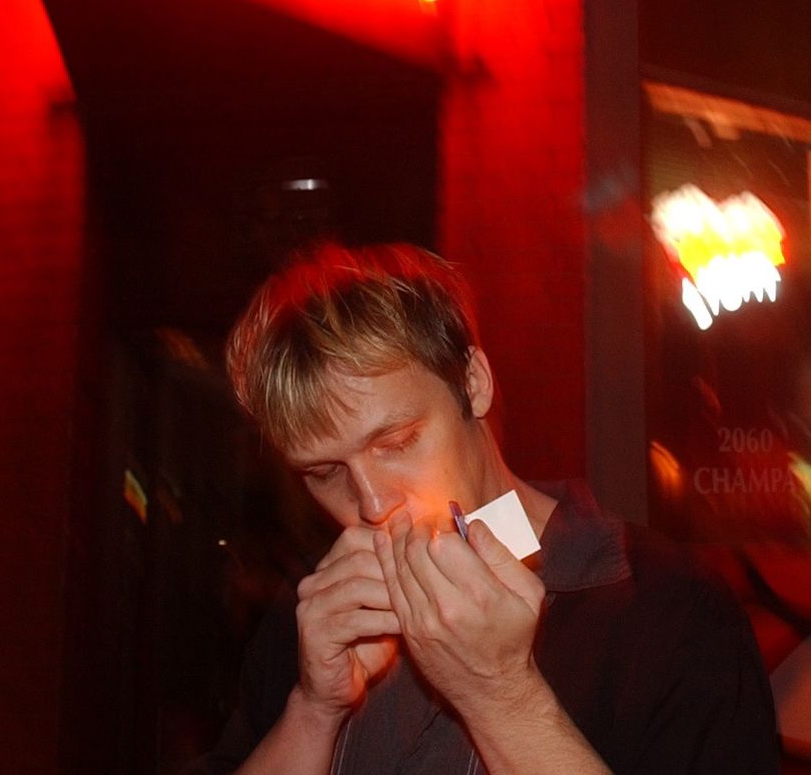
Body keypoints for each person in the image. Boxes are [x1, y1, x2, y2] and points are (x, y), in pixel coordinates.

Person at [188, 242, 780, 774]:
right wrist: (314, 711)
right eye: (324, 473)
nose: (370, 504)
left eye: (395, 443)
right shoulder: (312, 617)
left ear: (472, 382)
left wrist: (500, 693)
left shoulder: (669, 613)